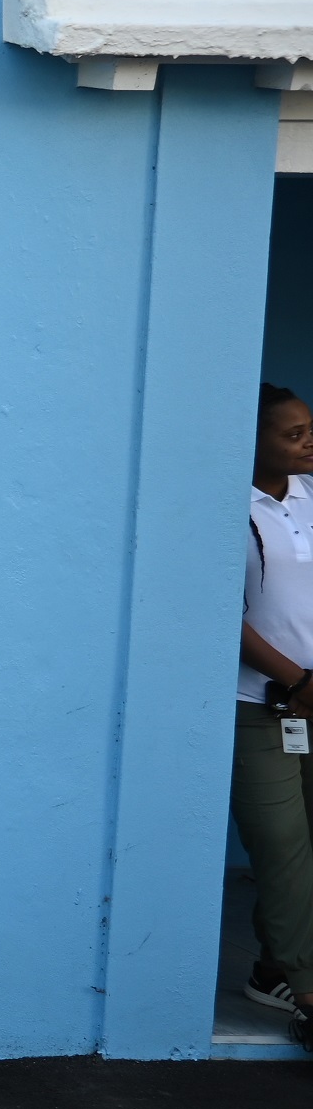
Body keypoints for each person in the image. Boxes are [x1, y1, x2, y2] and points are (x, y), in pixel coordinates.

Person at [233, 382, 313, 1054]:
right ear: (252, 441)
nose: (308, 441)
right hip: (260, 706)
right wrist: (295, 678)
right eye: (292, 434)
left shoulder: (312, 501)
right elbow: (223, 616)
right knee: (283, 848)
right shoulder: (236, 510)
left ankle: (273, 969)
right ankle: (309, 989)